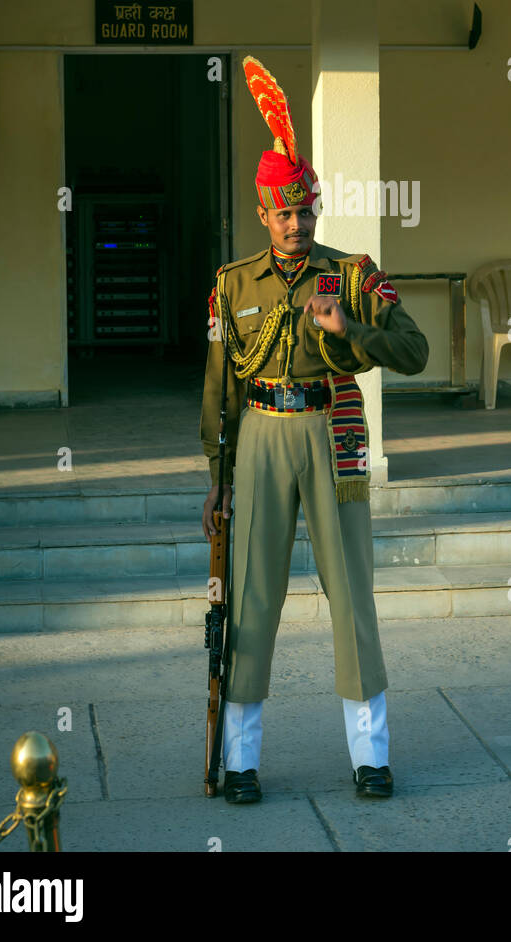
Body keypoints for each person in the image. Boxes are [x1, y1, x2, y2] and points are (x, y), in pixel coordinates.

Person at [200, 55, 429, 803]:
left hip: (334, 440)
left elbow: (415, 353)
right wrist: (217, 480)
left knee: (352, 598)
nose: (296, 224)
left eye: (306, 209)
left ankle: (370, 757)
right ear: (262, 214)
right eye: (283, 212)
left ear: (316, 207)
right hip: (262, 439)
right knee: (251, 601)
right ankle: (238, 763)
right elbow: (219, 391)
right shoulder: (234, 285)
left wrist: (350, 326)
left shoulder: (354, 275)